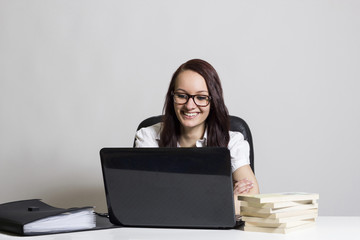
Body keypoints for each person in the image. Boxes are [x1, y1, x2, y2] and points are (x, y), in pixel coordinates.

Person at [135, 59, 259, 195]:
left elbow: (251, 196)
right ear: (172, 98)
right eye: (182, 96)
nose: (189, 106)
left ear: (213, 101)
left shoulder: (232, 141)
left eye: (201, 97)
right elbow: (144, 197)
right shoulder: (148, 137)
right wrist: (226, 198)